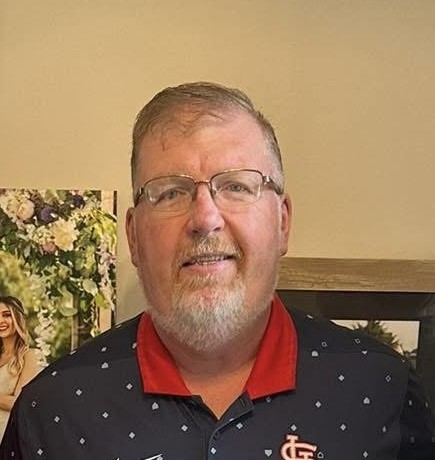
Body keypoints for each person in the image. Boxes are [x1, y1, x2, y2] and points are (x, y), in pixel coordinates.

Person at [1, 82, 434, 460]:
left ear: (282, 222)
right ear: (133, 235)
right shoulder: (51, 410)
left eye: (237, 187)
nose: (205, 218)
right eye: (171, 193)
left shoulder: (382, 387)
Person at [0, 296, 43, 440]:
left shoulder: (28, 356)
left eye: (7, 315)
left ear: (17, 318)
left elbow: (19, 402)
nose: (1, 321)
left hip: (7, 436)